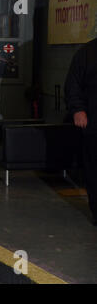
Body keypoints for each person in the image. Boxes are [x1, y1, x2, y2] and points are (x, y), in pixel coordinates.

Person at [65, 37, 97, 226]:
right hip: (94, 123)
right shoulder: (87, 53)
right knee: (94, 170)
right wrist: (77, 109)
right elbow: (73, 85)